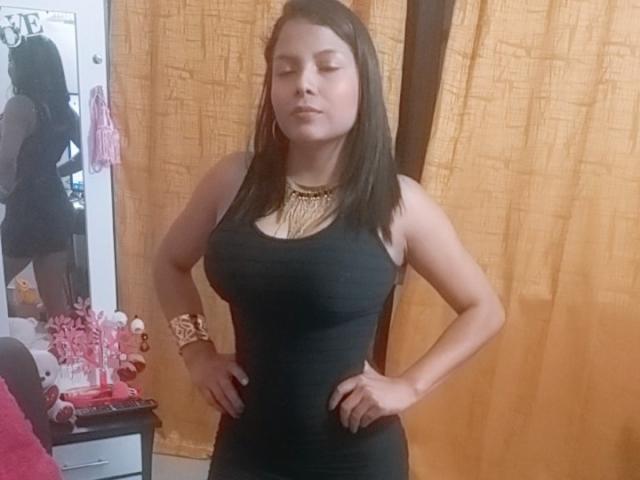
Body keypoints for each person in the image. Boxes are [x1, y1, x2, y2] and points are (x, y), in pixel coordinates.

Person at [154, 1, 505, 478]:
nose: (304, 84)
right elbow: (169, 263)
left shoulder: (397, 202)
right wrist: (196, 353)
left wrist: (410, 386)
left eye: (327, 66)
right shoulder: (232, 180)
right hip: (244, 452)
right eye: (286, 70)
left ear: (363, 83)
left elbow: (484, 309)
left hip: (355, 458)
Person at [0, 34, 80, 319]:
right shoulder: (64, 111)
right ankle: (67, 349)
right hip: (56, 206)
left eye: (12, 61)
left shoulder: (20, 105)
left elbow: (5, 159)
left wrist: (4, 191)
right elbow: (87, 155)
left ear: (26, 67)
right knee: (54, 297)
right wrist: (55, 171)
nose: (9, 67)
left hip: (26, 208)